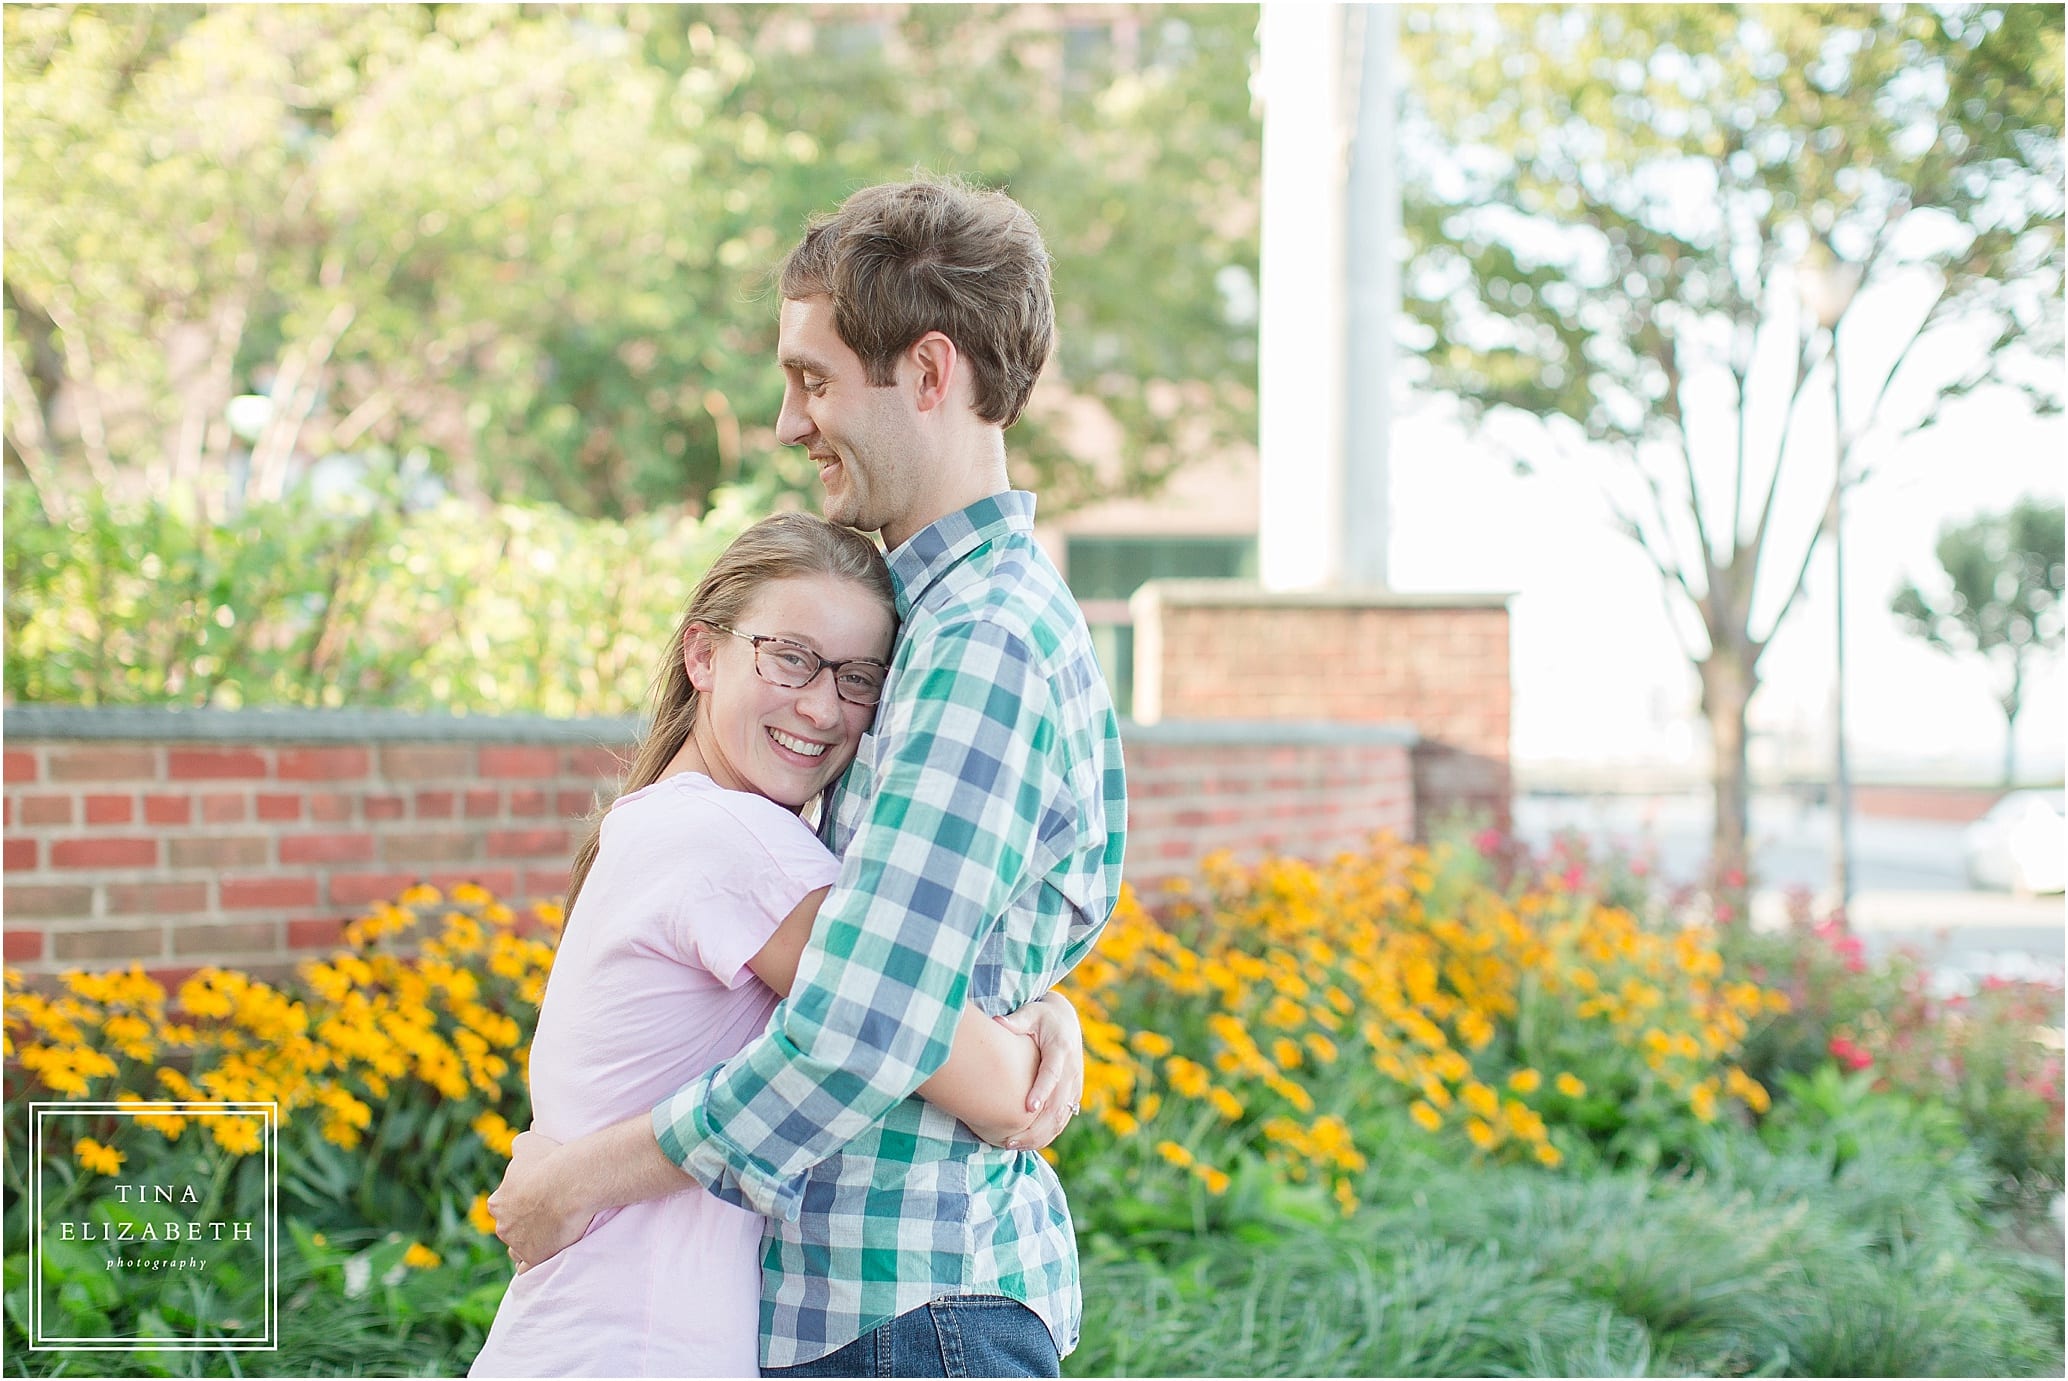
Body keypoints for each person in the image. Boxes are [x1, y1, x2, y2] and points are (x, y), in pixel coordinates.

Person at [489, 177, 1128, 1378]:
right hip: (883, 1310)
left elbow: (863, 1021)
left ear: (929, 374)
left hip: (905, 1310)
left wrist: (577, 1178)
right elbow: (936, 953)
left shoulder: (978, 640)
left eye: (814, 378)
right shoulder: (940, 626)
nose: (791, 423)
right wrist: (1040, 1016)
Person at [469, 513, 1083, 1378]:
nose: (821, 706)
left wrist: (1047, 1006)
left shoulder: (667, 826)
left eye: (858, 677)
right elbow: (1002, 1089)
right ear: (702, 655)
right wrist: (1044, 1028)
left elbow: (904, 991)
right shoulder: (738, 846)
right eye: (789, 657)